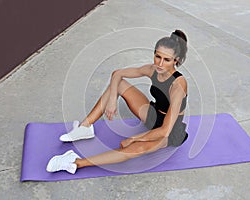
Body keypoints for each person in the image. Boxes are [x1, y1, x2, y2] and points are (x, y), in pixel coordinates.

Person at [46, 30, 189, 174]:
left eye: (167, 60)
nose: (160, 63)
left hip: (170, 130)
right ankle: (85, 126)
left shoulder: (178, 85)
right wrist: (112, 100)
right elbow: (117, 74)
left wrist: (133, 138)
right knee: (118, 84)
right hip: (153, 114)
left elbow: (164, 131)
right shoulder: (153, 69)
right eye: (157, 56)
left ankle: (75, 162)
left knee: (135, 149)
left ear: (175, 60)